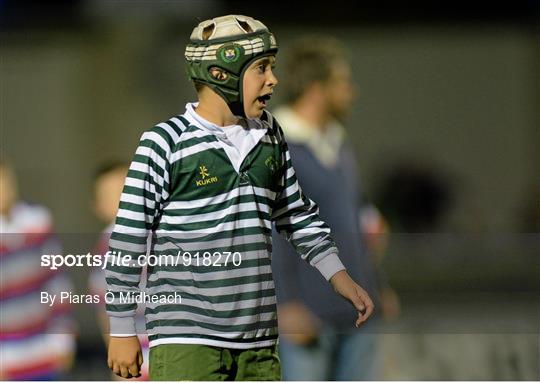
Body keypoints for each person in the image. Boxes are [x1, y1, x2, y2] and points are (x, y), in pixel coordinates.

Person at [105, 15, 374, 381]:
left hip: (258, 342)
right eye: (261, 68)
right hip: (187, 341)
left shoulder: (271, 136)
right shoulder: (163, 143)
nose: (273, 80)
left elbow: (295, 214)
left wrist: (338, 275)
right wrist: (121, 329)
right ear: (221, 73)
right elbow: (128, 240)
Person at [270, 36, 396, 380]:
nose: (351, 91)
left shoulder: (337, 142)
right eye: (341, 82)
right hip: (308, 315)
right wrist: (287, 304)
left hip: (357, 312)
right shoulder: (276, 145)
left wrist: (378, 284)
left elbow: (361, 222)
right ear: (316, 88)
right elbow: (273, 230)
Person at [0, 161, 76, 380]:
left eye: (6, 180)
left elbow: (57, 282)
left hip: (46, 350)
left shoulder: (38, 220)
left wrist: (64, 339)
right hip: (7, 359)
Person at [87, 161, 150, 380]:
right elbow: (106, 307)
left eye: (126, 189)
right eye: (112, 194)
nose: (122, 199)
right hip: (139, 350)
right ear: (99, 207)